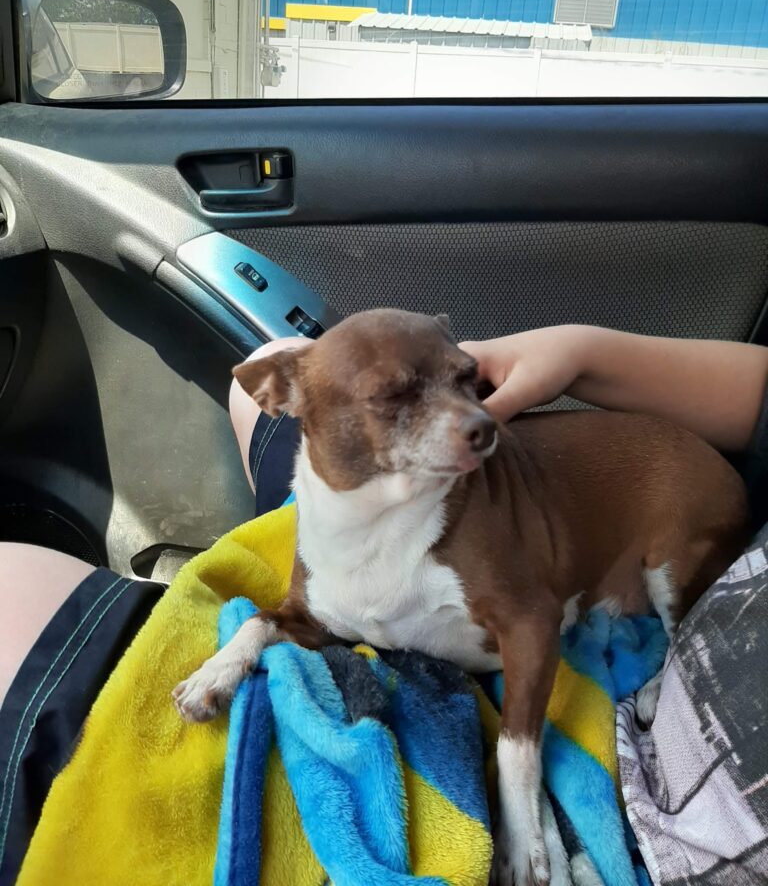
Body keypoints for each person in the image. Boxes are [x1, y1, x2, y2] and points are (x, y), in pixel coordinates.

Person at [1, 326, 767, 883]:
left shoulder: (482, 519)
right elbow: (301, 615)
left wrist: (518, 801)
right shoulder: (315, 442)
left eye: (462, 384)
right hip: (364, 523)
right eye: (398, 393)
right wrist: (579, 350)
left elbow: (530, 622)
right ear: (286, 395)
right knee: (280, 361)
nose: (472, 415)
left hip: (636, 622)